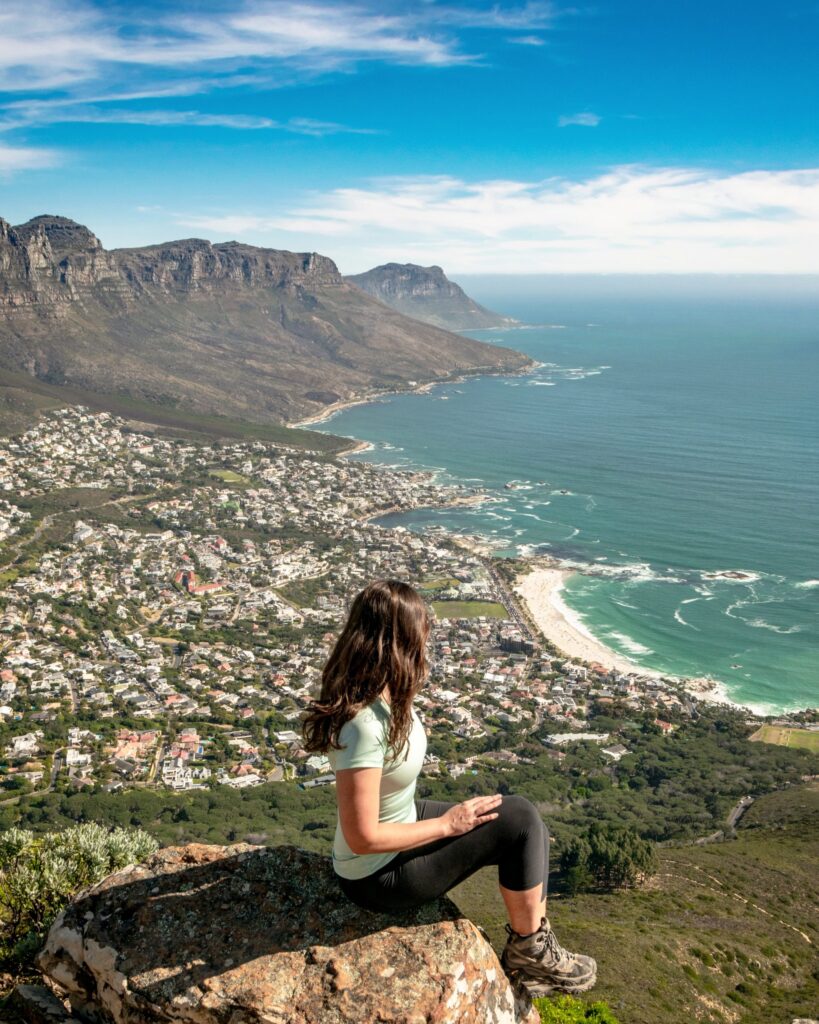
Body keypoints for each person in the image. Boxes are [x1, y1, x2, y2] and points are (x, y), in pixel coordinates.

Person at [302, 578, 597, 996]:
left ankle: (532, 943)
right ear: (398, 639)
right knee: (520, 822)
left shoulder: (381, 693)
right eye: (421, 631)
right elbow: (363, 836)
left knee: (509, 811)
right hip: (377, 876)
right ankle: (530, 952)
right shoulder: (363, 725)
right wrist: (448, 825)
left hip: (397, 827)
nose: (428, 639)